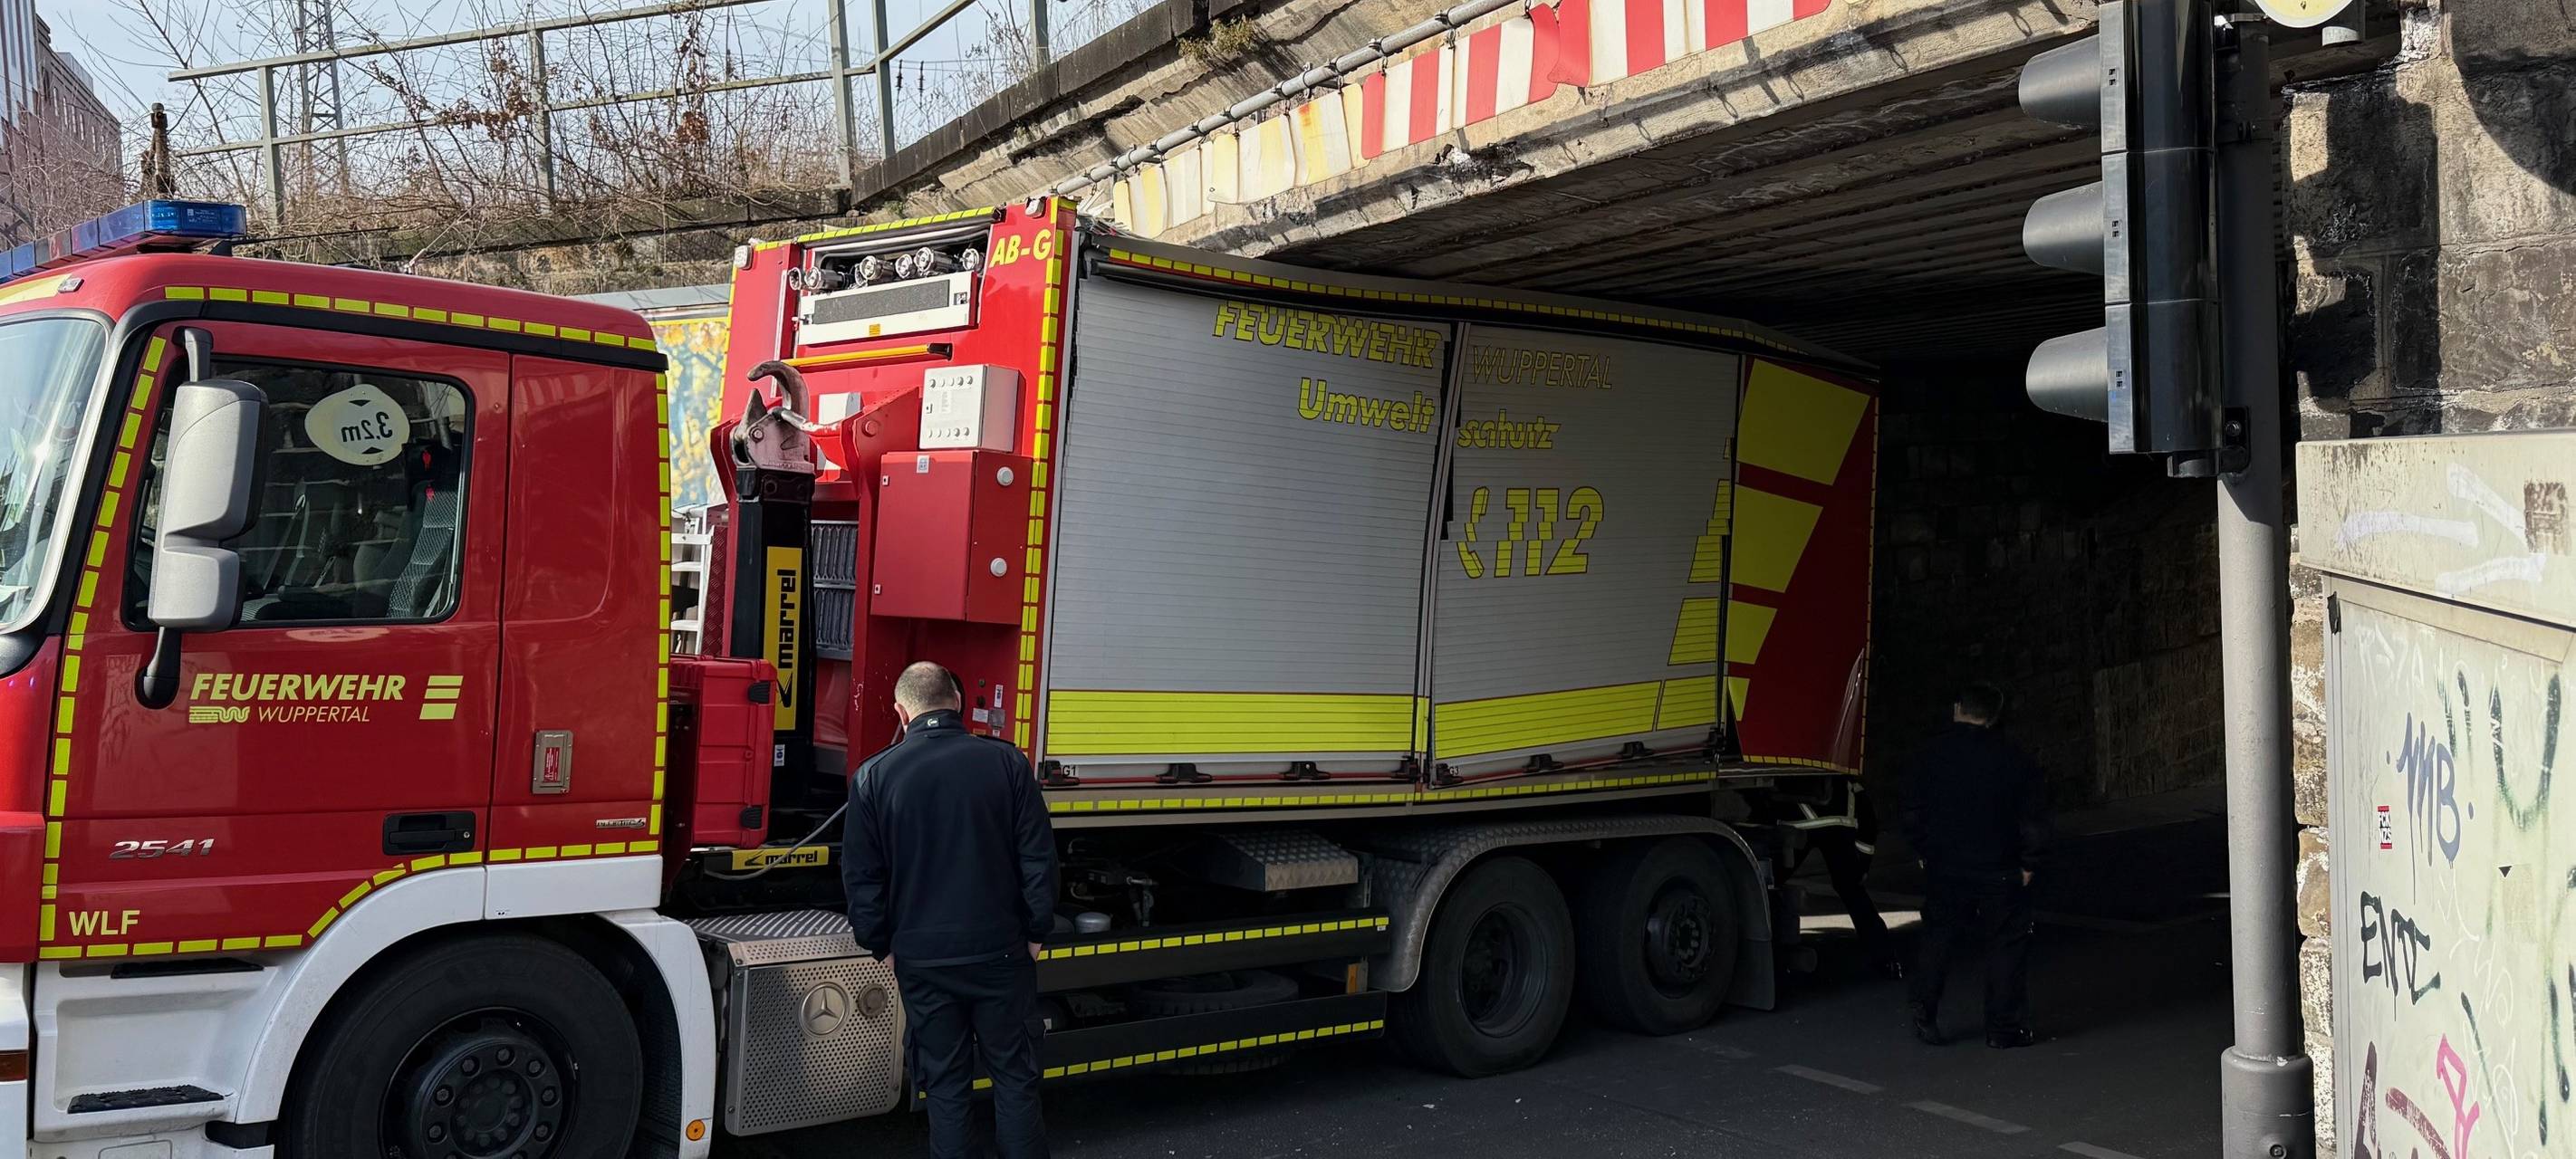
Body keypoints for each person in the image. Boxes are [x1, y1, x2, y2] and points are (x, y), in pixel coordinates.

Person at [843, 661, 1058, 1158]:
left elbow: (862, 878)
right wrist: (1036, 930)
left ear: (901, 711)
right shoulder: (1007, 764)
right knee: (1015, 1079)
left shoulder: (874, 777)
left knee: (944, 1084)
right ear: (958, 703)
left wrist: (881, 945)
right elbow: (1037, 856)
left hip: (922, 960)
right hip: (1001, 953)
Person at [1898, 681, 2049, 1049]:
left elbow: (1912, 809)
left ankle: (1925, 1011)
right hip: (2000, 866)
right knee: (2005, 945)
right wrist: (2029, 861)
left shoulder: (1931, 754)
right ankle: (2004, 1028)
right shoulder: (2014, 758)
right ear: (1994, 716)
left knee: (1938, 935)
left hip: (1946, 864)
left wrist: (1923, 848)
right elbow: (2033, 816)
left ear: (1957, 709)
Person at [1779, 776, 1901, 979]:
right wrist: (1862, 866)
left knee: (1774, 880)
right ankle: (1886, 960)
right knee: (1852, 891)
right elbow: (1868, 827)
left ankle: (1775, 950)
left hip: (1796, 822)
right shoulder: (1852, 787)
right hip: (1836, 826)